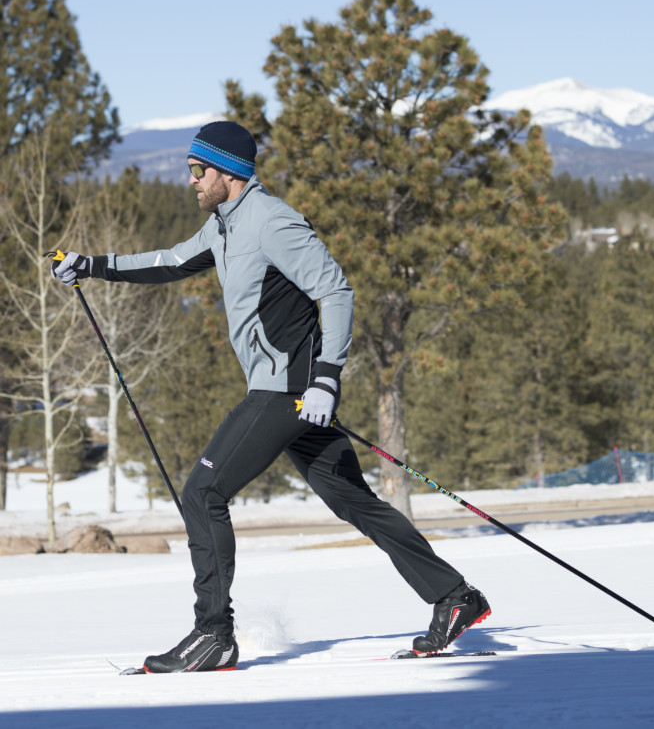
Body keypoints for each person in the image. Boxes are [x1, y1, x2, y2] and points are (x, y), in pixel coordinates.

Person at [51, 120, 491, 672]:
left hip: (290, 390)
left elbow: (335, 290)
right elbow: (170, 261)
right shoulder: (223, 226)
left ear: (227, 171)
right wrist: (92, 267)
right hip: (291, 391)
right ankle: (454, 596)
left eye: (197, 170)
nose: (190, 179)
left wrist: (327, 377)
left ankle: (213, 634)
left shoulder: (271, 220)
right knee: (353, 501)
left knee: (203, 491)